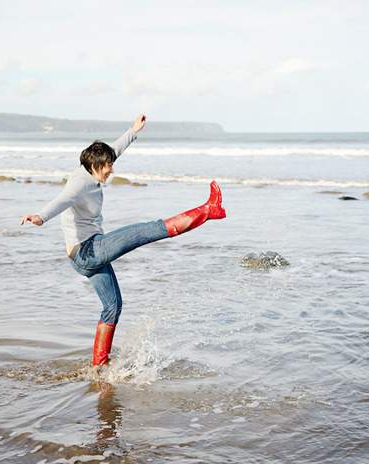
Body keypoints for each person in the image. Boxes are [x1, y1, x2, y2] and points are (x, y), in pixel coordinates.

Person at [20, 115, 226, 366]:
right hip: (89, 250)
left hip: (84, 256)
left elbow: (115, 150)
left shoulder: (92, 170)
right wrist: (40, 217)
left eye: (111, 164)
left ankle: (99, 366)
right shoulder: (78, 183)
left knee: (113, 307)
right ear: (95, 165)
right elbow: (62, 200)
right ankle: (209, 209)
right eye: (107, 165)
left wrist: (133, 130)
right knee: (147, 230)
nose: (111, 169)